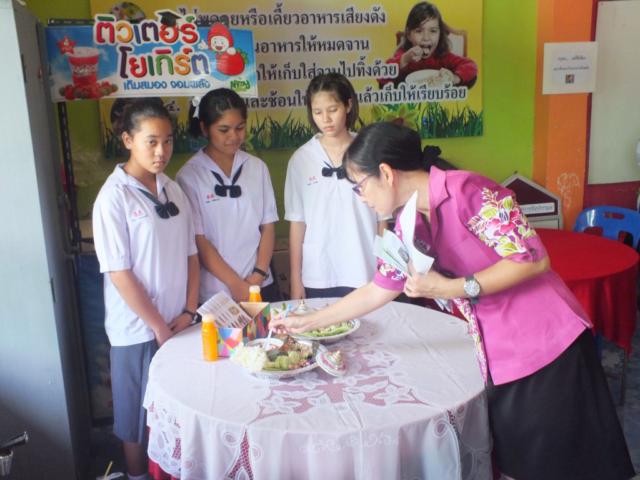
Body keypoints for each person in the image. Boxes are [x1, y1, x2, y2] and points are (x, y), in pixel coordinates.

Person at [271, 122, 635, 480]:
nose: (361, 196)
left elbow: (532, 259)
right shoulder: (407, 222)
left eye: (360, 185)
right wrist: (309, 321)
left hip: (548, 347)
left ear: (386, 173)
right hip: (501, 354)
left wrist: (450, 288)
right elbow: (379, 288)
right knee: (517, 465)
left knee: (561, 467)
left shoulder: (469, 191)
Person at [92, 99, 200, 480]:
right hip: (138, 330)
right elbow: (119, 273)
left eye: (167, 141)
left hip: (178, 324)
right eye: (151, 142)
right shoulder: (114, 197)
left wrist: (188, 311)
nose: (161, 151)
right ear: (127, 140)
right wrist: (157, 326)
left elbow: (191, 255)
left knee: (175, 410)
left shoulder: (172, 189)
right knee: (136, 418)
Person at [284, 72, 386, 299]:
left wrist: (383, 268)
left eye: (333, 110)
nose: (326, 119)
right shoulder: (301, 159)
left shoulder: (369, 151)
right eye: (318, 112)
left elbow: (383, 219)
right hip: (318, 273)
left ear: (348, 105)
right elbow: (297, 223)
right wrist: (296, 279)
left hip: (365, 269)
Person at [176, 88, 279, 303]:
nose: (234, 136)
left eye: (240, 128)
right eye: (224, 130)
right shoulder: (189, 176)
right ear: (204, 128)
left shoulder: (257, 167)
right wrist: (235, 284)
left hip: (259, 284)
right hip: (216, 292)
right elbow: (199, 239)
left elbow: (268, 226)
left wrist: (258, 275)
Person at [378, 1, 477, 88]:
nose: (426, 37)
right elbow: (381, 75)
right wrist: (404, 60)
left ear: (440, 34)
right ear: (408, 35)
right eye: (419, 31)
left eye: (433, 31)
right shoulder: (404, 55)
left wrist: (455, 78)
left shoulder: (442, 56)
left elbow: (470, 65)